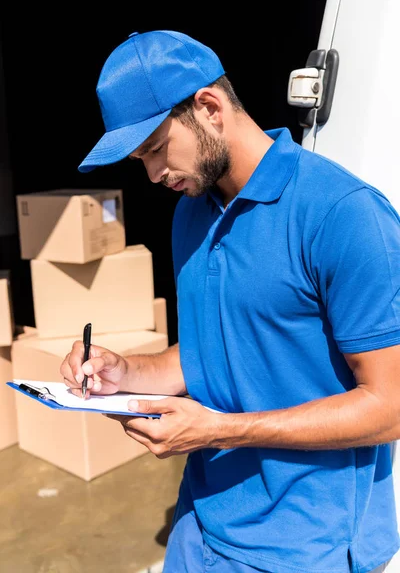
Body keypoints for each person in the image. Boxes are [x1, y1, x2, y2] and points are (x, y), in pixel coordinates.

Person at [60, 29, 400, 573]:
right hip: (199, 526)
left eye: (154, 150)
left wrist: (219, 430)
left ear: (209, 107)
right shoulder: (190, 213)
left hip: (308, 547)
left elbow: (390, 407)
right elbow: (210, 353)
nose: (152, 175)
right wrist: (124, 372)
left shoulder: (344, 214)